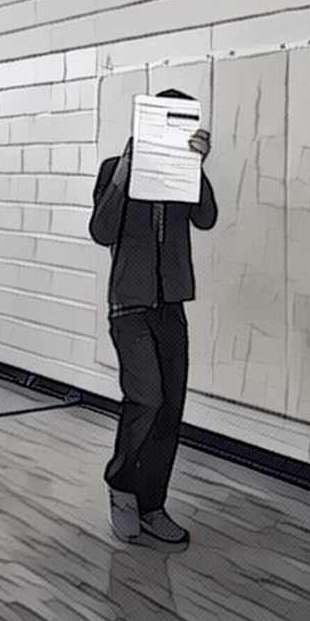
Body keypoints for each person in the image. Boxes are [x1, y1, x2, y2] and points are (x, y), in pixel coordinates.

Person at [89, 89, 217, 546]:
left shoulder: (185, 172)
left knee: (170, 410)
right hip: (129, 304)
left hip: (171, 304)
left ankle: (152, 504)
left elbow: (206, 218)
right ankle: (121, 487)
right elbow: (102, 231)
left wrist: (196, 166)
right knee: (146, 399)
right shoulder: (114, 168)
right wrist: (125, 175)